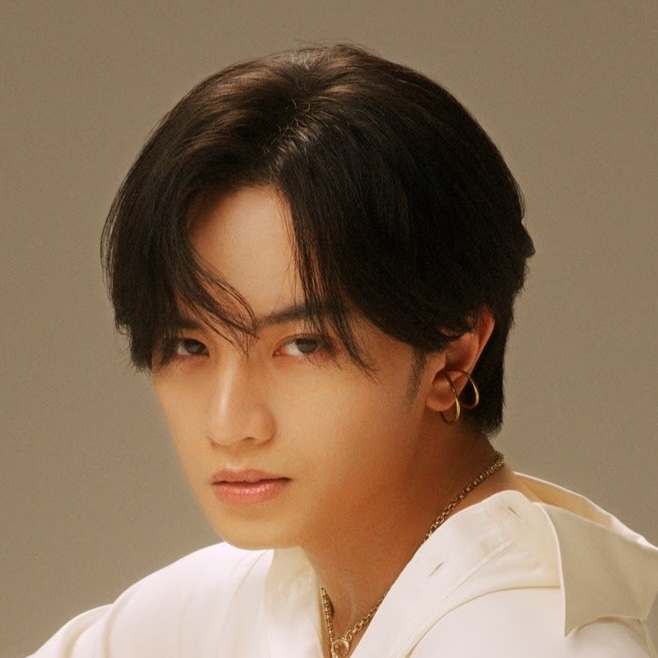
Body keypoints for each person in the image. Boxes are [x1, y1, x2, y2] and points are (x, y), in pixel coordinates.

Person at [29, 44, 658, 658]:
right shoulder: (239, 602)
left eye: (302, 345)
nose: (228, 424)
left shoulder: (531, 637)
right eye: (189, 345)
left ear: (452, 355)